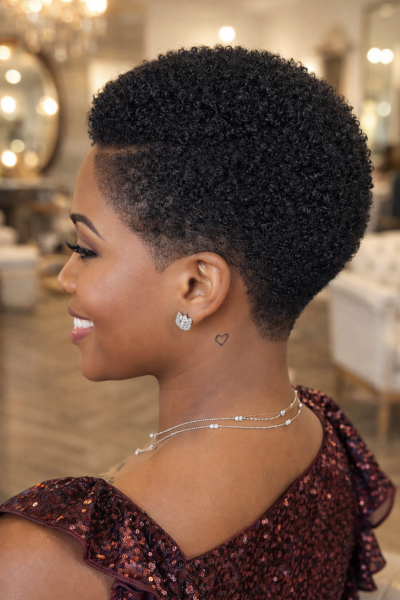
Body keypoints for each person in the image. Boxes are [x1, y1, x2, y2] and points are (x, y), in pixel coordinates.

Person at [0, 45, 396, 600]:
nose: (66, 276)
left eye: (85, 249)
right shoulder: (327, 437)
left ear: (197, 285)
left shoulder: (45, 565)